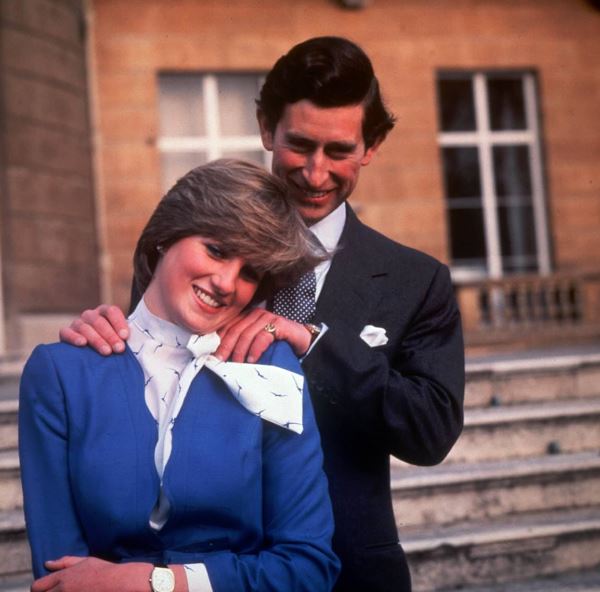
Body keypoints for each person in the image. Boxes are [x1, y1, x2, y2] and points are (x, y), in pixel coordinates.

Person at [59, 37, 465, 591]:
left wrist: (312, 343)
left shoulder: (417, 280)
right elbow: (144, 391)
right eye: (300, 145)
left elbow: (430, 433)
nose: (316, 173)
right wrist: (102, 342)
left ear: (371, 146)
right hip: (206, 572)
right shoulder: (193, 256)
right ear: (267, 128)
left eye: (339, 151)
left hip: (353, 571)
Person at [19, 159, 340, 592]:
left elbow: (307, 567)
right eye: (217, 250)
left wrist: (157, 583)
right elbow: (59, 575)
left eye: (250, 272)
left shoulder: (271, 369)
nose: (226, 282)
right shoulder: (60, 373)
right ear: (166, 235)